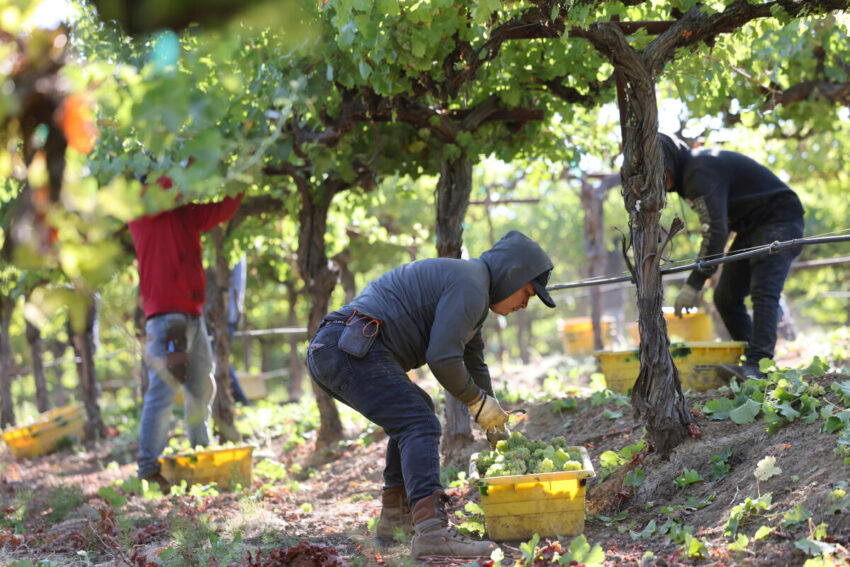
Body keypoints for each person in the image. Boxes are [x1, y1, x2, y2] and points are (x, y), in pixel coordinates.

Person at [306, 230, 556, 557]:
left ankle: (396, 520)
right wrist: (477, 403)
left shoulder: (473, 289)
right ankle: (432, 532)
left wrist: (494, 420)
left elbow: (473, 362)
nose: (525, 304)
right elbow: (442, 357)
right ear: (512, 276)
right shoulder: (471, 285)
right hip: (348, 346)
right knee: (419, 421)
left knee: (413, 411)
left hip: (341, 346)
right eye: (527, 293)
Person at [129, 175, 244, 489]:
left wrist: (243, 177)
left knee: (201, 387)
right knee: (162, 392)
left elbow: (221, 210)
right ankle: (148, 470)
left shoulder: (183, 212)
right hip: (166, 318)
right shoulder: (142, 205)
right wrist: (190, 157)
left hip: (192, 315)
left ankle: (199, 451)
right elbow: (173, 183)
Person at [660, 133, 804, 380]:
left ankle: (759, 365)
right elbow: (718, 228)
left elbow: (716, 233)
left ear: (669, 161)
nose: (657, 182)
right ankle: (752, 362)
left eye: (658, 172)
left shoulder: (698, 171)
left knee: (763, 290)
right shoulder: (688, 177)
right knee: (726, 297)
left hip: (779, 218)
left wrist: (693, 283)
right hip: (751, 228)